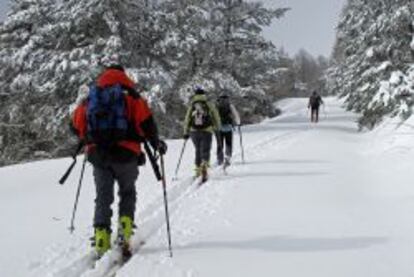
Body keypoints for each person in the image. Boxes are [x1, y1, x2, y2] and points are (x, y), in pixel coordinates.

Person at [71, 64, 167, 258]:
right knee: (127, 191)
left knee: (103, 197)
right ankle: (125, 229)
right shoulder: (132, 96)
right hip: (127, 154)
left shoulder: (92, 96)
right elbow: (147, 124)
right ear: (123, 75)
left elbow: (75, 127)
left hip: (99, 155)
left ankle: (101, 237)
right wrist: (156, 144)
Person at [183, 87, 221, 182]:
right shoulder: (208, 103)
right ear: (204, 94)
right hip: (206, 130)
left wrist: (185, 132)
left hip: (194, 131)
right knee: (205, 149)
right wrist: (217, 127)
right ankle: (204, 164)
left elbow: (187, 118)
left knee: (197, 150)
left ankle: (198, 171)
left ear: (195, 95)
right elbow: (216, 115)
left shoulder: (192, 105)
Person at [215, 93, 241, 167]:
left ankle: (220, 159)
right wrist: (238, 123)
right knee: (228, 142)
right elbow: (236, 114)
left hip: (219, 128)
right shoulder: (230, 105)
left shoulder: (217, 105)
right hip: (228, 127)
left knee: (220, 144)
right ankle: (228, 157)